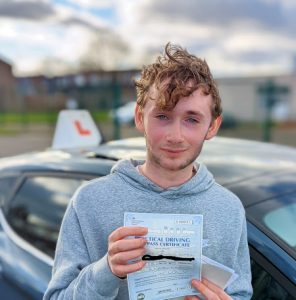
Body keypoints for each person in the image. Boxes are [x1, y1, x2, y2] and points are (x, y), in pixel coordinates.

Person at [44, 43, 253, 300]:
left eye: (192, 119)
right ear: (140, 116)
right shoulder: (89, 202)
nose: (176, 136)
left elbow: (240, 292)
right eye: (163, 116)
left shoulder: (229, 208)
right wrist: (106, 270)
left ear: (212, 126)